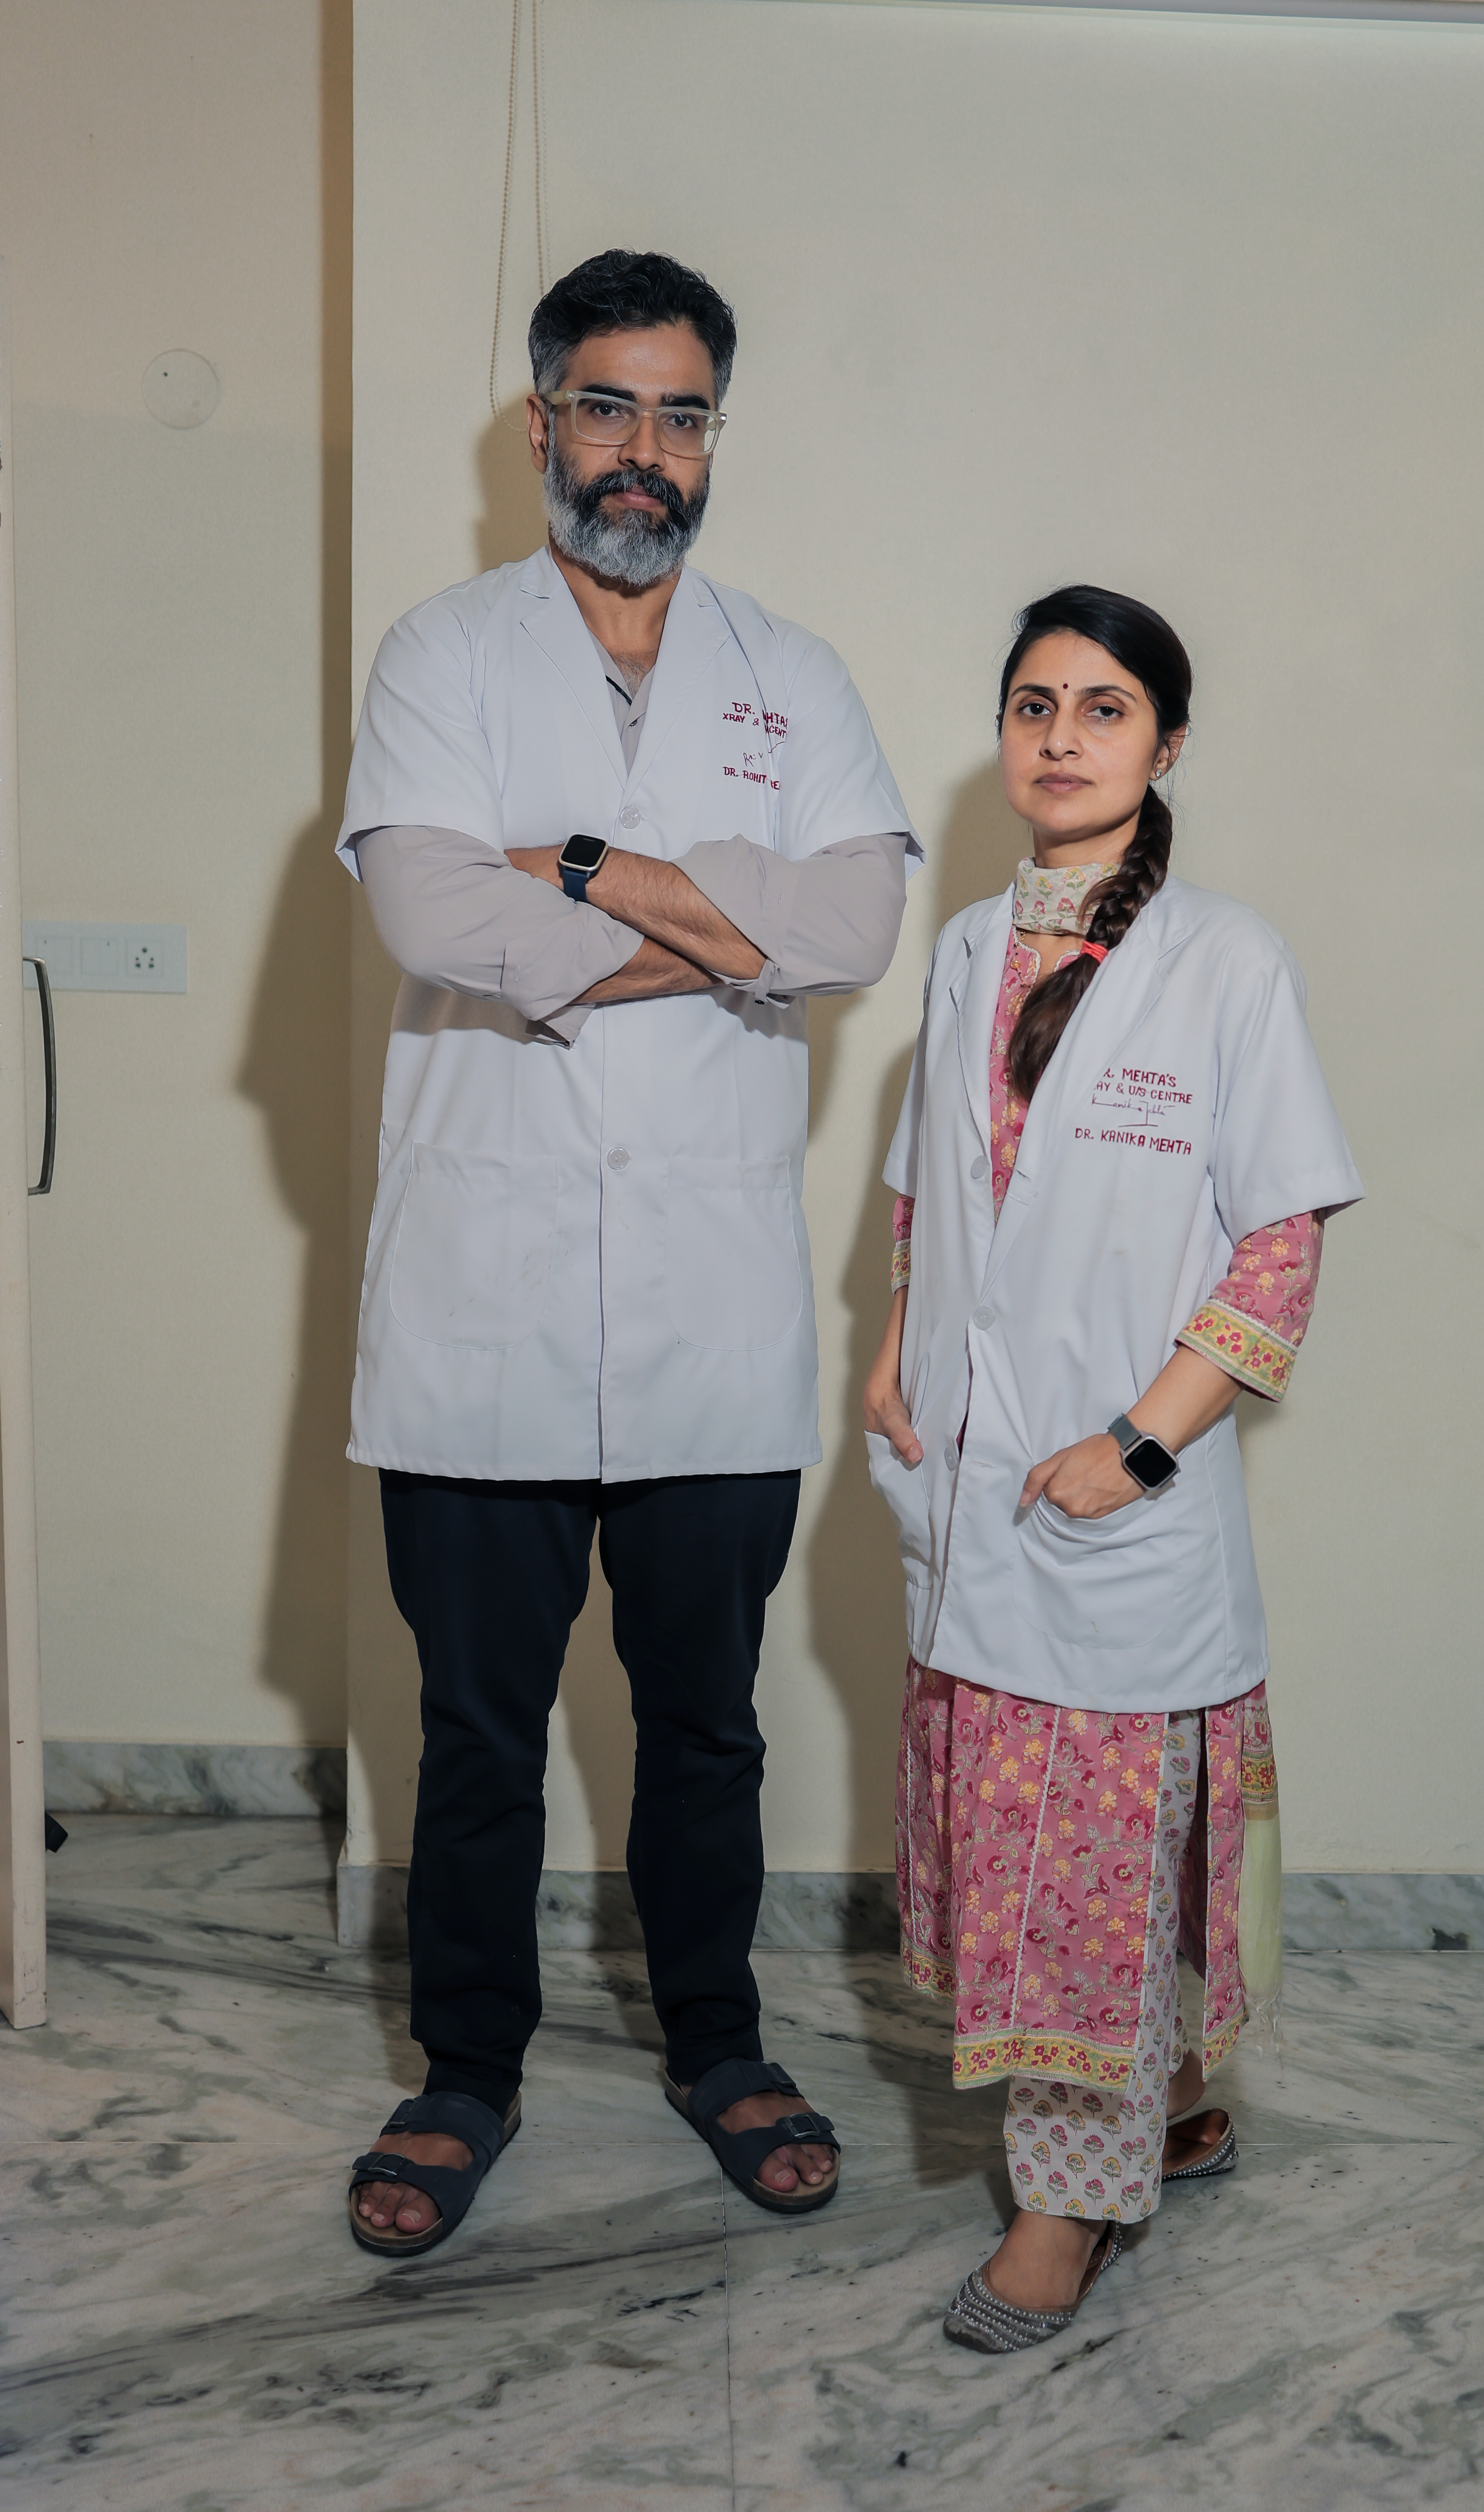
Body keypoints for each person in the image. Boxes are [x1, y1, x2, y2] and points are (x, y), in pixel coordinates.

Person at [338, 249, 918, 2255]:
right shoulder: (439, 653)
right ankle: (467, 2070)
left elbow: (848, 935)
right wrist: (717, 937)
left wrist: (573, 867)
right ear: (541, 426)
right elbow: (430, 918)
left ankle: (718, 2044)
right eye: (607, 406)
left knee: (709, 1722)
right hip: (479, 1305)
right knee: (481, 1734)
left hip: (708, 1316)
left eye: (681, 415)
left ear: (708, 441)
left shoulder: (796, 673)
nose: (642, 452)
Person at [863, 585, 1363, 2351]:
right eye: (1031, 704)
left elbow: (1280, 1245)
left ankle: (1067, 2218)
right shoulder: (961, 951)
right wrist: (891, 1341)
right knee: (1020, 1863)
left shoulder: (1223, 961)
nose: (1058, 737)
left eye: (1102, 707)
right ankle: (1148, 2109)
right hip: (968, 1490)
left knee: (1081, 1882)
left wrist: (1139, 1444)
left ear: (1162, 745)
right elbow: (932, 1185)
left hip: (1110, 1510)